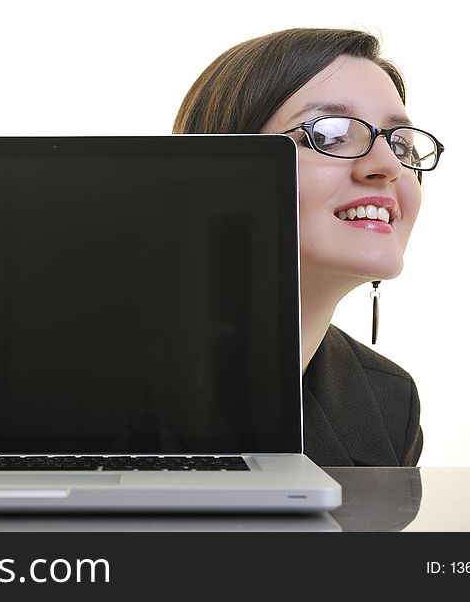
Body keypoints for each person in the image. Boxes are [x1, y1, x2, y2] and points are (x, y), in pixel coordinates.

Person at [173, 28, 444, 466]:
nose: (389, 166)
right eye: (330, 134)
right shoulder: (71, 372)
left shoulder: (388, 401)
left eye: (402, 144)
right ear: (217, 172)